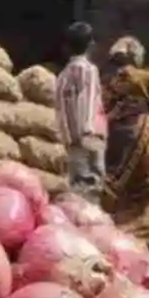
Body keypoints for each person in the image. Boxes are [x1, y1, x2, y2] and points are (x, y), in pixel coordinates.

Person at [101, 35, 149, 242]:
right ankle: (136, 236)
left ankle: (112, 232)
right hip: (143, 135)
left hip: (115, 139)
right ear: (136, 56)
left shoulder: (109, 82)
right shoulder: (145, 77)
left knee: (122, 189)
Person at [54, 21, 107, 200]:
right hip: (89, 137)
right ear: (91, 45)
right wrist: (88, 132)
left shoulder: (62, 76)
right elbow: (89, 98)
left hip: (71, 141)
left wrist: (67, 138)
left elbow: (60, 109)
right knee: (93, 189)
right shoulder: (90, 70)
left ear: (67, 47)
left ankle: (78, 224)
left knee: (77, 187)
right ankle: (91, 224)